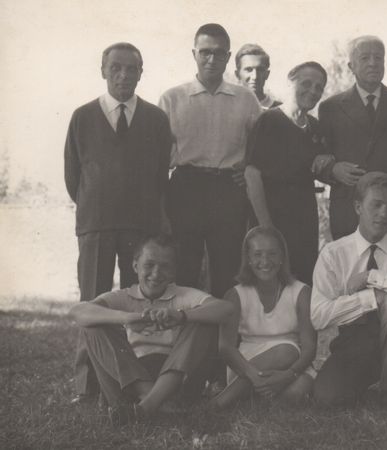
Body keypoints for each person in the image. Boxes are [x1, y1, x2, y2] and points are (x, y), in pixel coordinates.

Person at [64, 42, 172, 404]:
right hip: (96, 224)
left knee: (133, 304)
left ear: (142, 73)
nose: (124, 75)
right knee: (92, 301)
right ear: (103, 71)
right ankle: (88, 386)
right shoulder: (82, 116)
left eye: (132, 69)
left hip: (139, 228)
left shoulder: (156, 119)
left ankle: (128, 380)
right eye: (116, 68)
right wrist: (97, 210)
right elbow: (73, 174)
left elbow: (160, 176)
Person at [69, 235, 233, 425]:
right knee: (93, 325)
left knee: (204, 320)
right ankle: (156, 402)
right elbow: (78, 311)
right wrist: (127, 318)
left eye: (165, 266)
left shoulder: (183, 295)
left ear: (173, 272)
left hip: (177, 383)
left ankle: (145, 408)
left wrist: (182, 316)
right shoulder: (123, 297)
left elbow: (226, 309)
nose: (156, 273)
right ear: (135, 265)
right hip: (129, 384)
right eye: (149, 265)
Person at [311, 172, 387, 409]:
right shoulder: (333, 254)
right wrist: (372, 298)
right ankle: (376, 379)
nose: (384, 214)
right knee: (327, 397)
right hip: (355, 344)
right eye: (376, 205)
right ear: (358, 206)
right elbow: (319, 315)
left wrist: (373, 277)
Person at [158, 23, 261, 299]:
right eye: (205, 52)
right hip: (186, 186)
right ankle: (183, 335)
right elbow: (160, 156)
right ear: (194, 53)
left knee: (228, 268)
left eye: (218, 53)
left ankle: (224, 338)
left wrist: (246, 169)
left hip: (228, 188)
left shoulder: (246, 99)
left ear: (229, 57)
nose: (211, 60)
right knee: (184, 266)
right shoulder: (172, 98)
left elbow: (259, 148)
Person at [318, 36, 387, 244]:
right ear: (351, 65)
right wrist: (332, 169)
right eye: (365, 58)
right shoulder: (330, 108)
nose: (373, 63)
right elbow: (318, 157)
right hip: (350, 211)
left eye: (378, 58)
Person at [244, 61, 334, 284]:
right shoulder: (270, 120)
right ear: (290, 82)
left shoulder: (315, 126)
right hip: (272, 216)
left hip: (304, 217)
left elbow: (321, 162)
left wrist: (328, 157)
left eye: (319, 88)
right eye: (306, 83)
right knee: (269, 279)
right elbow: (252, 175)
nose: (313, 91)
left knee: (302, 279)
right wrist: (266, 228)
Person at [210, 226, 316, 408]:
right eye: (257, 254)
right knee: (286, 350)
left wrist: (288, 375)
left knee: (300, 387)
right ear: (248, 259)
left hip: (292, 367)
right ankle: (221, 402)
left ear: (282, 257)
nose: (265, 261)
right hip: (246, 366)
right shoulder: (235, 294)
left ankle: (254, 402)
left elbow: (309, 348)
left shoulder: (301, 292)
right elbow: (225, 347)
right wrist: (253, 375)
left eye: (272, 254)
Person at [235, 43, 282, 109]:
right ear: (237, 74)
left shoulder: (281, 111)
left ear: (267, 74)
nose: (255, 76)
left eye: (260, 70)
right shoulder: (227, 107)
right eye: (249, 70)